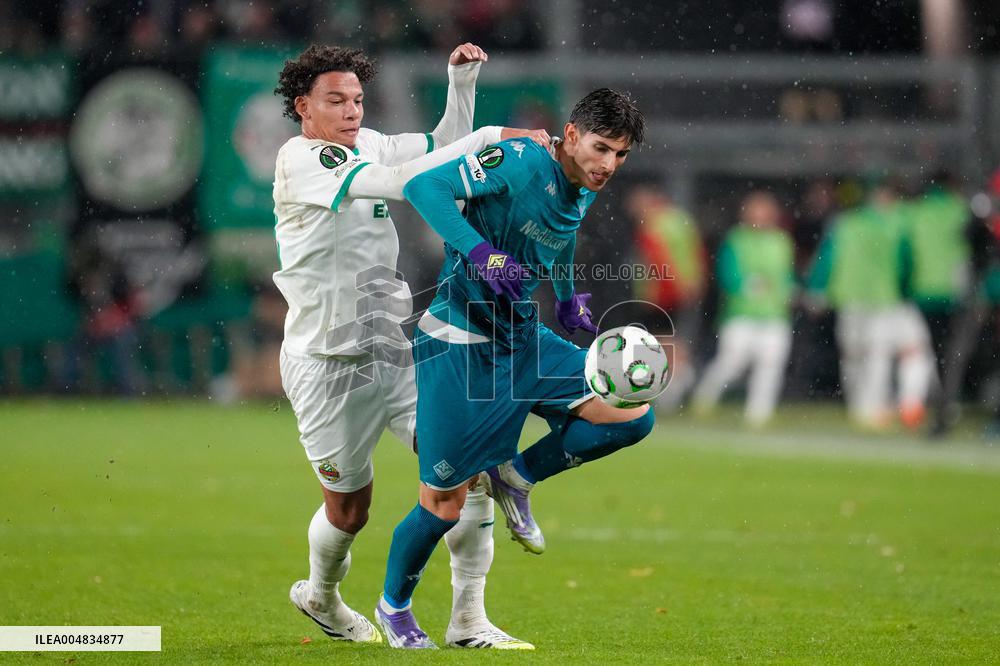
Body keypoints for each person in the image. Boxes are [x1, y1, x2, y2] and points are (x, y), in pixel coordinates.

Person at [272, 42, 546, 649]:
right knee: (349, 512)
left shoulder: (368, 141)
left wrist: (462, 84)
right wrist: (502, 136)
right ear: (303, 106)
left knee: (465, 471)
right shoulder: (302, 160)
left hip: (393, 349)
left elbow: (445, 143)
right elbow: (405, 183)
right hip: (327, 363)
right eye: (335, 100)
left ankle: (469, 620)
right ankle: (321, 594)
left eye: (358, 100)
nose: (351, 111)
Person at [374, 89, 655, 649]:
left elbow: (562, 231)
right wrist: (480, 253)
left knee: (631, 412)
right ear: (571, 135)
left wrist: (569, 294)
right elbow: (424, 187)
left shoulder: (582, 182)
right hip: (462, 345)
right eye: (601, 149)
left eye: (620, 155)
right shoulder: (522, 162)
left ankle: (515, 477)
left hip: (522, 338)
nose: (609, 166)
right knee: (444, 503)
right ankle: (394, 607)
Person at [808, 185, 934, 428]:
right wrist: (910, 290)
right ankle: (904, 403)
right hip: (887, 298)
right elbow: (907, 261)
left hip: (850, 298)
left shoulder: (845, 223)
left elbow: (826, 258)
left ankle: (863, 408)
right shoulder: (900, 221)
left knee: (856, 355)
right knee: (903, 351)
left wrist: (817, 289)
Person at [692, 191, 795, 426]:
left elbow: (785, 276)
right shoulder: (736, 239)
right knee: (732, 362)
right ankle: (705, 398)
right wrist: (744, 285)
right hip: (741, 313)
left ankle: (758, 414)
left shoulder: (781, 241)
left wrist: (786, 291)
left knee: (771, 365)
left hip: (774, 314)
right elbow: (727, 274)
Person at [625, 185, 707, 409]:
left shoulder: (655, 224)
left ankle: (677, 381)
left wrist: (657, 289)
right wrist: (694, 280)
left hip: (663, 291)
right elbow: (695, 251)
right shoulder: (680, 220)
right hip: (681, 288)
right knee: (669, 337)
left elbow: (657, 259)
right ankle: (679, 377)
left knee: (660, 338)